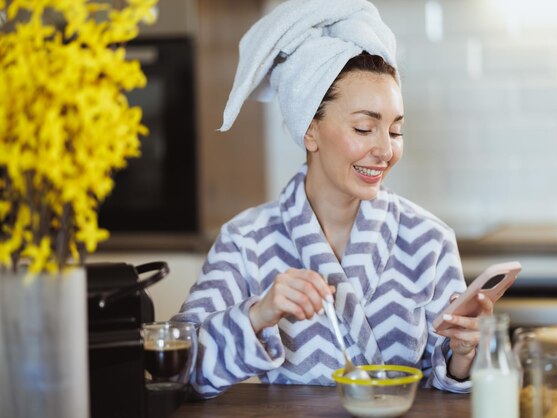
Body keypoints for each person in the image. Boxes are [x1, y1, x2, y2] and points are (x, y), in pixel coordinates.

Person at [172, 0, 492, 399]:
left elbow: (450, 385)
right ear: (310, 131)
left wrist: (464, 353)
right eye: (363, 127)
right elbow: (179, 369)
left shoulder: (428, 239)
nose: (385, 150)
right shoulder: (246, 241)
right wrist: (259, 313)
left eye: (395, 131)